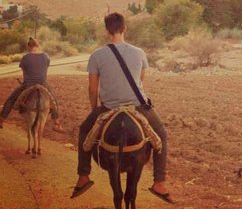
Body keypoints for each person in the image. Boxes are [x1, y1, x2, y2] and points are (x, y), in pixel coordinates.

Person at [71, 12, 173, 204]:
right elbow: (140, 81)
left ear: (106, 31)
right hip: (138, 107)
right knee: (162, 133)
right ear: (124, 29)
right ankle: (159, 182)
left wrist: (96, 110)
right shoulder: (139, 53)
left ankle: (83, 176)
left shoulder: (96, 55)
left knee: (85, 130)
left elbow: (93, 89)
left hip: (108, 107)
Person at [0, 37, 65, 132]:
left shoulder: (26, 57)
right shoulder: (46, 56)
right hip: (42, 83)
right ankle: (56, 123)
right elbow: (45, 69)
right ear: (38, 46)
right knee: (55, 101)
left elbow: (24, 73)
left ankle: (0, 121)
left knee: (11, 100)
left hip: (28, 84)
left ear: (28, 47)